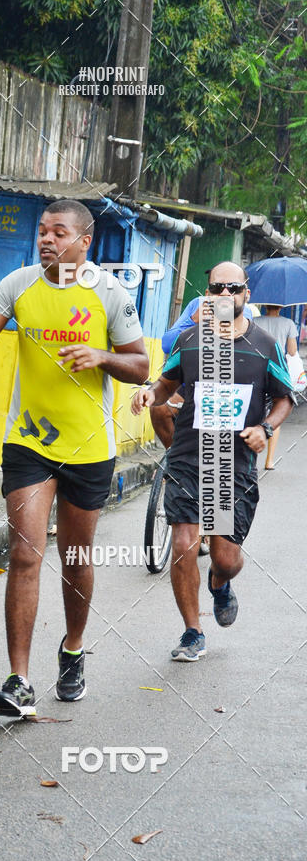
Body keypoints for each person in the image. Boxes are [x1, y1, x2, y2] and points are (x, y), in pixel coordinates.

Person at [0, 199, 149, 716]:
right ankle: (19, 681)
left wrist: (102, 356)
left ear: (85, 241)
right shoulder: (18, 284)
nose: (45, 239)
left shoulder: (110, 293)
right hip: (29, 444)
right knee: (24, 553)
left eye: (57, 232)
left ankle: (73, 650)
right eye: (41, 231)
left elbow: (141, 366)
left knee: (76, 559)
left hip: (88, 448)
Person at [131, 262, 294, 662]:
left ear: (246, 295)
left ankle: (220, 584)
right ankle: (192, 631)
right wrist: (151, 394)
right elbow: (167, 381)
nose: (224, 295)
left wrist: (266, 429)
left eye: (232, 288)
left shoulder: (263, 346)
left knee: (225, 557)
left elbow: (286, 397)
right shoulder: (190, 340)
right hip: (188, 456)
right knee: (184, 544)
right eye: (216, 288)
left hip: (232, 463)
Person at [151, 295, 254, 450]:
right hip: (190, 383)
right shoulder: (197, 304)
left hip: (223, 386)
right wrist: (193, 320)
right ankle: (173, 455)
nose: (223, 292)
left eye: (229, 286)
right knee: (158, 408)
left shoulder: (242, 309)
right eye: (217, 287)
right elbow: (166, 344)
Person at [254, 305, 299, 469]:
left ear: (265, 305)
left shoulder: (254, 321)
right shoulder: (288, 323)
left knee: (252, 410)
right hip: (277, 371)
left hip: (255, 368)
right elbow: (292, 351)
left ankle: (249, 458)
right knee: (275, 412)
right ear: (281, 307)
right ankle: (269, 461)